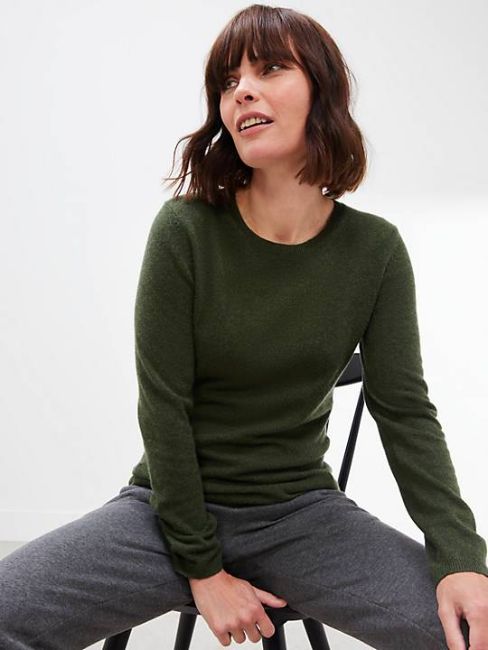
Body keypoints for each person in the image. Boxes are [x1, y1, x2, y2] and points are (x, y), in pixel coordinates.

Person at [1, 4, 487, 650]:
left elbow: (404, 411)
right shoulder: (185, 231)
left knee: (471, 630)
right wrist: (204, 570)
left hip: (302, 517)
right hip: (166, 515)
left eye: (270, 68)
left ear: (322, 90)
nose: (242, 91)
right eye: (228, 82)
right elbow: (164, 408)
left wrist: (460, 556)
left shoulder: (375, 252)